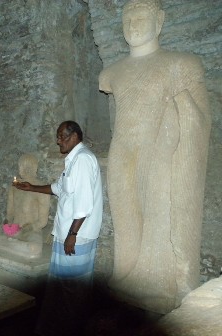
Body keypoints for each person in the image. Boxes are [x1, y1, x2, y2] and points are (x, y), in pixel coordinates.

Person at [99, 0, 211, 314]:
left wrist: (180, 107)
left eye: (141, 17)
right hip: (122, 150)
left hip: (159, 151)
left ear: (158, 21)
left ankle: (160, 284)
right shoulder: (113, 72)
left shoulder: (180, 64)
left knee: (158, 216)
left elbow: (199, 118)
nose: (133, 24)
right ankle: (126, 275)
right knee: (125, 217)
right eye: (128, 18)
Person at [14, 121, 103, 335]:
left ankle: (72, 326)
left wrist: (72, 235)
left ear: (74, 136)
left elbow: (84, 205)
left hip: (76, 238)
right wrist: (31, 187)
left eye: (62, 136)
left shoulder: (82, 161)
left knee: (73, 288)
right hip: (68, 235)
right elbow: (58, 188)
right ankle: (63, 324)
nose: (58, 140)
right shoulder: (73, 161)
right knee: (65, 286)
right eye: (58, 136)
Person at [0, 153, 51, 259]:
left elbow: (43, 222)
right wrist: (7, 222)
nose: (19, 169)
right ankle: (9, 241)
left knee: (34, 248)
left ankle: (7, 242)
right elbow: (10, 214)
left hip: (29, 232)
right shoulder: (15, 187)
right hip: (13, 228)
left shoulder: (40, 189)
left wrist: (27, 228)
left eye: (20, 166)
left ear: (26, 167)